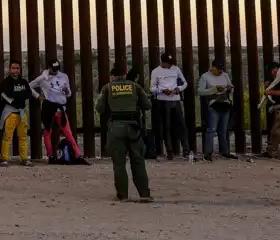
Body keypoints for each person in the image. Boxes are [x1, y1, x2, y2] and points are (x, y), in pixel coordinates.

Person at [97, 63, 154, 202]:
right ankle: (144, 194)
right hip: (133, 127)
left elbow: (100, 108)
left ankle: (122, 195)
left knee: (119, 163)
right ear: (125, 74)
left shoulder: (107, 88)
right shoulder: (135, 87)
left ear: (112, 76)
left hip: (116, 127)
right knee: (138, 161)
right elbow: (147, 105)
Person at [30, 60, 83, 163]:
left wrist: (67, 92)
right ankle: (50, 155)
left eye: (57, 69)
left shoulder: (64, 76)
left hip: (60, 107)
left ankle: (78, 154)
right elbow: (29, 86)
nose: (55, 71)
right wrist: (37, 96)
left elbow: (69, 93)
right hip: (48, 106)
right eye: (53, 70)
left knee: (67, 130)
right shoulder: (42, 78)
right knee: (47, 130)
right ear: (49, 68)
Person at [150, 53, 189, 160]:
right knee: (166, 127)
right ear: (163, 62)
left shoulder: (176, 70)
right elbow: (152, 88)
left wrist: (178, 89)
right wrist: (162, 90)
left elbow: (185, 83)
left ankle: (186, 150)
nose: (170, 65)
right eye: (168, 63)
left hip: (175, 100)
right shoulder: (156, 72)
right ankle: (169, 151)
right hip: (163, 101)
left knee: (181, 125)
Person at [0, 60, 33, 166]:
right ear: (9, 69)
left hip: (21, 112)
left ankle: (24, 158)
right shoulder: (6, 82)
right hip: (10, 112)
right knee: (7, 136)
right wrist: (20, 95)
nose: (16, 70)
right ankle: (4, 159)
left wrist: (17, 95)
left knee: (23, 136)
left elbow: (28, 94)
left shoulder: (24, 82)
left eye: (18, 68)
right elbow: (6, 94)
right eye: (14, 68)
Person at [197, 57, 234, 161]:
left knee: (223, 130)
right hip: (213, 104)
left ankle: (225, 151)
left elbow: (230, 87)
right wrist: (214, 89)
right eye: (218, 69)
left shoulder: (225, 75)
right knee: (211, 130)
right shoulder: (205, 77)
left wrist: (229, 88)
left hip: (224, 103)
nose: (220, 71)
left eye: (222, 69)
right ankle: (208, 152)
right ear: (213, 68)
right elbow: (200, 91)